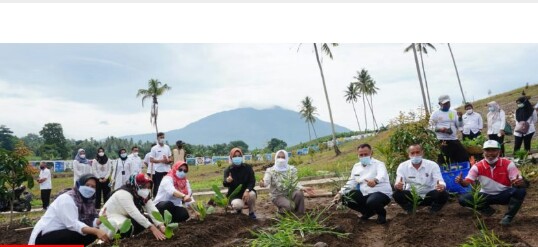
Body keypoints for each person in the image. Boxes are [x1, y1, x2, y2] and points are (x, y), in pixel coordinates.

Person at [456, 140, 527, 226]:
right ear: (483, 152)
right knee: (463, 199)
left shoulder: (508, 164)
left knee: (520, 191)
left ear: (499, 152)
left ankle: (508, 217)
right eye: (487, 150)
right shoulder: (477, 166)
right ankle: (486, 210)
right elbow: (467, 182)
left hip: (504, 194)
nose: (490, 153)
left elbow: (518, 181)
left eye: (493, 150)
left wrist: (519, 183)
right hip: (485, 195)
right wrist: (461, 181)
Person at [29, 174, 110, 245]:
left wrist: (99, 221)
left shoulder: (87, 201)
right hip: (44, 237)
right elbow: (73, 224)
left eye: (93, 187)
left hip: (61, 233)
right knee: (84, 233)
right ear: (78, 185)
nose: (90, 188)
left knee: (90, 233)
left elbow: (86, 221)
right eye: (87, 185)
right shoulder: (67, 199)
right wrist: (96, 231)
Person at [333, 144, 392, 224]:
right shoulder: (356, 167)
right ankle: (368, 212)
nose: (363, 156)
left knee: (372, 201)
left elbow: (382, 175)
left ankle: (381, 214)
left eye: (366, 154)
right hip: (365, 193)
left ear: (371, 153)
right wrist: (340, 193)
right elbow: (351, 182)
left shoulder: (379, 164)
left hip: (380, 193)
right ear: (358, 155)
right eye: (361, 155)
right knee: (346, 197)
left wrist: (375, 181)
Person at [99, 174, 166, 241]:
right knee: (127, 226)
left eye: (148, 187)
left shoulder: (141, 194)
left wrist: (161, 225)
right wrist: (153, 228)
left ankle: (130, 237)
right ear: (136, 185)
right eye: (143, 186)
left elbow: (152, 209)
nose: (146, 189)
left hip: (124, 215)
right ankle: (117, 241)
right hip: (110, 216)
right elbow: (134, 213)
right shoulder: (124, 194)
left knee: (147, 220)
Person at [393, 144, 449, 214]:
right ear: (409, 155)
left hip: (429, 195)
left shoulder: (432, 165)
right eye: (412, 153)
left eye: (417, 152)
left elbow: (439, 180)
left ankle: (434, 210)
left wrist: (441, 186)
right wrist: (398, 186)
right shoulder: (402, 166)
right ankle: (410, 210)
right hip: (412, 196)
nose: (415, 155)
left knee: (443, 194)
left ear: (422, 153)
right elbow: (398, 182)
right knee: (397, 194)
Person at [259, 150, 315, 214]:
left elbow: (295, 182)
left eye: (283, 157)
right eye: (279, 157)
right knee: (290, 206)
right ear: (275, 158)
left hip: (290, 193)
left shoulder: (291, 169)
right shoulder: (270, 170)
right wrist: (262, 183)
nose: (280, 159)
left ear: (286, 158)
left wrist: (303, 188)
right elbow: (266, 182)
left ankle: (299, 214)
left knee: (299, 193)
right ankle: (281, 211)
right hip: (278, 196)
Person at [429, 95, 469, 165]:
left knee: (463, 156)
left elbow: (459, 125)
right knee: (444, 160)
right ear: (440, 104)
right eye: (445, 103)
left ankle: (463, 171)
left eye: (448, 103)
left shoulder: (453, 112)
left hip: (453, 139)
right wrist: (441, 129)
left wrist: (460, 118)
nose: (447, 105)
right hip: (442, 140)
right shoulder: (435, 114)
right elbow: (430, 127)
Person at [223, 147, 257, 219]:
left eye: (239, 156)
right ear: (231, 157)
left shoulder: (247, 167)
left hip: (246, 192)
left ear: (242, 157)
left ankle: (251, 212)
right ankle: (238, 211)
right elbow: (224, 183)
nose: (237, 158)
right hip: (235, 195)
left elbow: (252, 181)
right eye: (235, 156)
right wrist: (228, 181)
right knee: (237, 205)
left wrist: (247, 190)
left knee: (252, 194)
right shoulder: (228, 170)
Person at [150, 132, 172, 197]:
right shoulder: (154, 148)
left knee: (169, 184)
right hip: (159, 170)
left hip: (167, 170)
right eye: (161, 137)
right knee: (159, 185)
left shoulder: (167, 147)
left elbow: (170, 158)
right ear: (157, 138)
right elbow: (151, 160)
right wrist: (161, 161)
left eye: (163, 137)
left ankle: (168, 197)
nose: (162, 139)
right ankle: (158, 198)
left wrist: (168, 161)